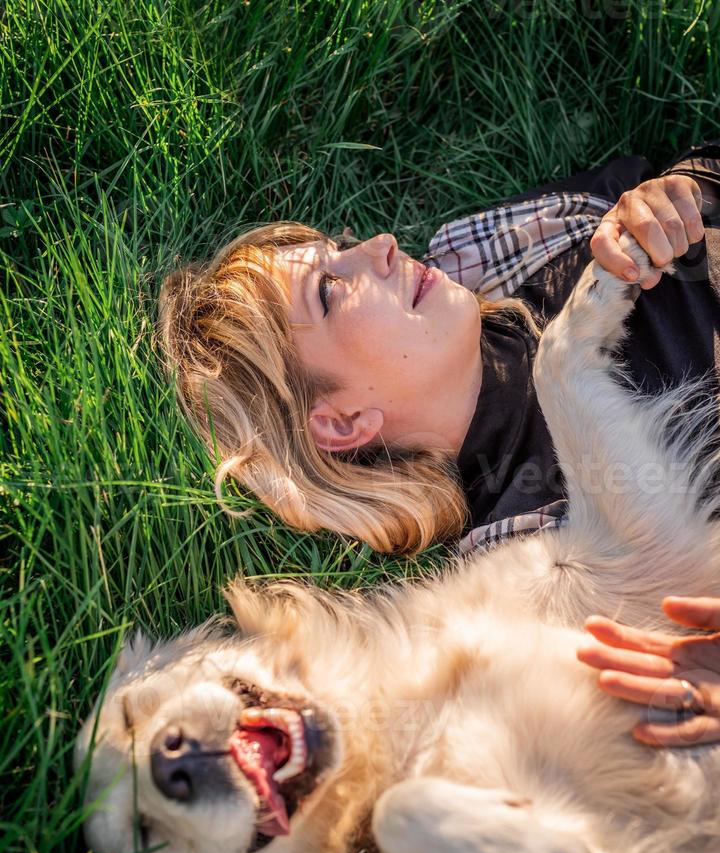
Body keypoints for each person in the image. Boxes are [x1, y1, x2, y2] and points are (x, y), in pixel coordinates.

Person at [159, 142, 720, 745]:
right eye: (328, 291)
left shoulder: (511, 247)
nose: (379, 246)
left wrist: (685, 189)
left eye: (340, 249)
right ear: (343, 423)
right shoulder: (532, 567)